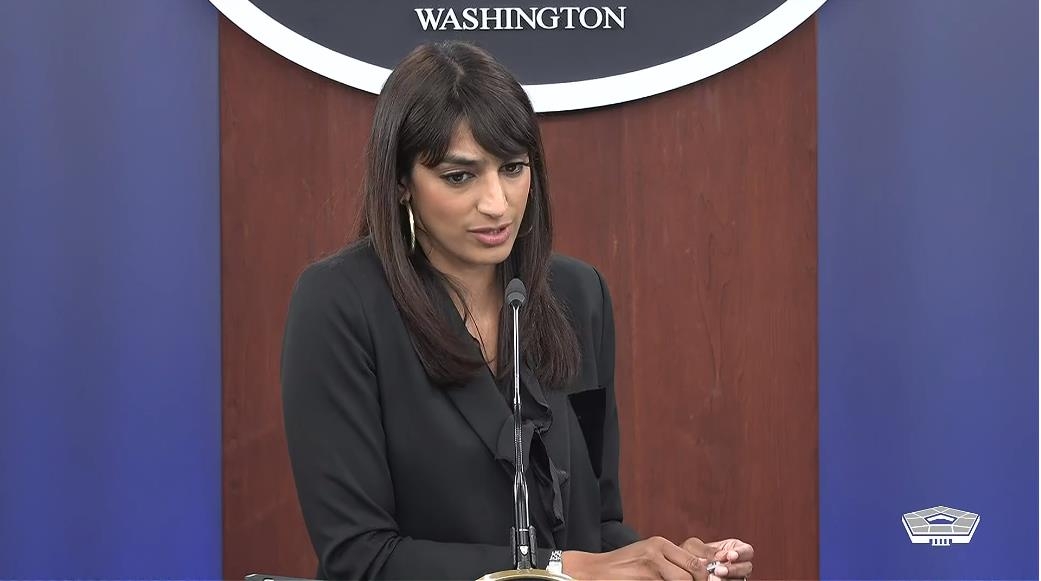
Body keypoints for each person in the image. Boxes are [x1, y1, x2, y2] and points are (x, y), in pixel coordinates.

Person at [280, 41, 754, 580]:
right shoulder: (339, 304)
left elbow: (595, 527)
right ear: (401, 182)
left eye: (512, 168)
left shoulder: (580, 295)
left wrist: (670, 564)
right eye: (460, 176)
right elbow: (359, 558)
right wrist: (559, 570)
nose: (497, 203)